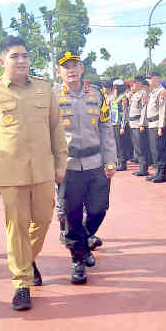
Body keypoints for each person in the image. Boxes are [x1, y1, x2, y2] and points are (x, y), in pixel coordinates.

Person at [0, 36, 67, 311]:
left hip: (43, 168)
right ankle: (21, 283)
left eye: (25, 55)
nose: (21, 60)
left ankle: (26, 259)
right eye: (15, 56)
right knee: (16, 226)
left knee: (44, 220)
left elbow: (56, 128)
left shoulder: (44, 88)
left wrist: (61, 161)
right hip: (9, 171)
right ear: (2, 61)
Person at [54, 50, 117, 283]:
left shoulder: (96, 94)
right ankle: (78, 260)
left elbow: (105, 127)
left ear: (82, 68)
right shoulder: (52, 97)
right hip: (68, 166)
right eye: (66, 67)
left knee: (98, 209)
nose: (71, 70)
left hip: (95, 162)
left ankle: (83, 241)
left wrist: (111, 159)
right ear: (58, 71)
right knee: (71, 213)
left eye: (75, 65)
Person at [141, 71, 166, 183]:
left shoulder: (162, 91)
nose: (148, 81)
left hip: (157, 123)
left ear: (156, 79)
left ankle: (162, 173)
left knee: (159, 149)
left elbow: (162, 109)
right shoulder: (153, 92)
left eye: (150, 78)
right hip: (151, 124)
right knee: (154, 150)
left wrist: (161, 126)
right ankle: (157, 172)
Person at [128, 75, 150, 176]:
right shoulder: (135, 94)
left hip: (138, 123)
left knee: (141, 147)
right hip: (133, 123)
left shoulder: (143, 93)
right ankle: (141, 167)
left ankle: (143, 168)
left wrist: (142, 123)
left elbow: (144, 109)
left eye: (135, 83)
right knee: (137, 147)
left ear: (139, 83)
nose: (134, 85)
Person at [110, 79, 130, 171]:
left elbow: (125, 113)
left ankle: (122, 163)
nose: (114, 89)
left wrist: (122, 126)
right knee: (116, 145)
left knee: (121, 144)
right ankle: (118, 161)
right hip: (113, 123)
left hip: (120, 124)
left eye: (115, 88)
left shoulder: (123, 98)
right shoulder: (114, 98)